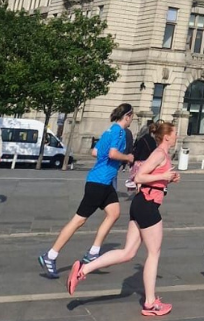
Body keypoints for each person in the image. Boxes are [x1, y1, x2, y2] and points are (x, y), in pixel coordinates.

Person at [67, 120, 180, 317]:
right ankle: (150, 303)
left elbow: (150, 175)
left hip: (141, 203)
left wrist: (168, 178)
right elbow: (139, 177)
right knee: (154, 253)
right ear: (167, 136)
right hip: (147, 204)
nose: (177, 136)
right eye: (175, 133)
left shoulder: (161, 154)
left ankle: (83, 269)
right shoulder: (159, 153)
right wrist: (166, 178)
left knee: (128, 252)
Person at [38, 103, 135, 278]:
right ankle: (50, 255)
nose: (131, 121)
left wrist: (106, 159)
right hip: (99, 182)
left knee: (114, 213)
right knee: (78, 221)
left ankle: (93, 252)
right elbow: (113, 154)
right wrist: (127, 157)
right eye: (132, 117)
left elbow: (94, 151)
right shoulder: (119, 132)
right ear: (127, 116)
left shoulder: (108, 131)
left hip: (103, 182)